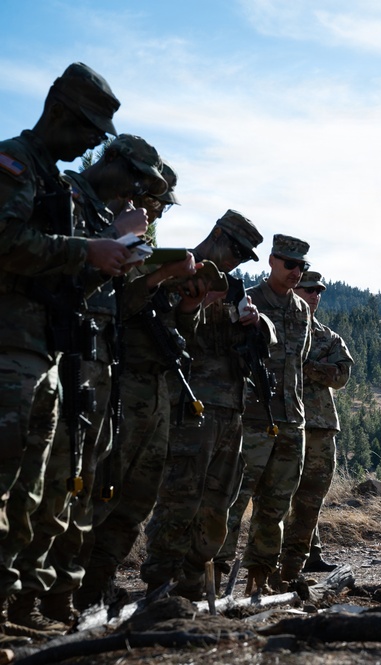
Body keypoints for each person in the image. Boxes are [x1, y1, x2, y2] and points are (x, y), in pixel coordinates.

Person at [8, 134, 169, 630]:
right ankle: (23, 596)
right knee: (37, 486)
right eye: (137, 182)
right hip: (54, 353)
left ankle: (56, 597)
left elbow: (98, 296)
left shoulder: (101, 213)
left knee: (78, 487)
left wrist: (129, 260)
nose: (139, 196)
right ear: (113, 163)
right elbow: (49, 274)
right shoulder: (66, 196)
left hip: (97, 363)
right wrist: (111, 240)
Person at [0, 62, 131, 637]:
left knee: (28, 493)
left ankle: (7, 610)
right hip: (9, 345)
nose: (87, 148)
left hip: (44, 353)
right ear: (59, 111)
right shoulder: (12, 164)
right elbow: (6, 242)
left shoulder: (51, 179)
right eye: (87, 132)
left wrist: (109, 261)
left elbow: (67, 280)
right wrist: (87, 250)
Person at [75, 163, 200, 610]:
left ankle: (95, 587)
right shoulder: (107, 230)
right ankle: (65, 590)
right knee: (100, 492)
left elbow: (161, 322)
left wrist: (186, 303)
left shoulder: (145, 244)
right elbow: (110, 304)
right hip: (116, 382)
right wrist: (157, 278)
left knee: (136, 500)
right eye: (157, 200)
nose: (159, 210)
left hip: (153, 389)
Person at [140, 210, 271, 600]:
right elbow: (155, 331)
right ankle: (159, 580)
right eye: (234, 249)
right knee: (180, 495)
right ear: (215, 234)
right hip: (188, 402)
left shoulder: (234, 287)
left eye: (243, 255)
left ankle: (193, 582)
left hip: (231, 407)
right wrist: (191, 308)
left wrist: (257, 323)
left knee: (218, 503)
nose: (235, 259)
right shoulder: (176, 272)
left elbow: (261, 344)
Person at [215, 234, 312, 596]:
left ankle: (259, 578)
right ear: (272, 261)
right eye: (290, 264)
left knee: (275, 506)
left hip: (292, 420)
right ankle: (213, 576)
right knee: (234, 502)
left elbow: (298, 366)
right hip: (253, 420)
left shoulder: (302, 310)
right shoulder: (248, 301)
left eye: (302, 266)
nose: (296, 272)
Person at [278, 271, 353, 582]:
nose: (314, 296)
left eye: (318, 291)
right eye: (308, 289)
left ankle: (308, 556)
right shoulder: (279, 328)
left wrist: (304, 367)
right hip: (280, 420)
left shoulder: (329, 337)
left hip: (319, 425)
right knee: (279, 493)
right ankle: (274, 561)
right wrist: (317, 369)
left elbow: (342, 375)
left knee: (311, 495)